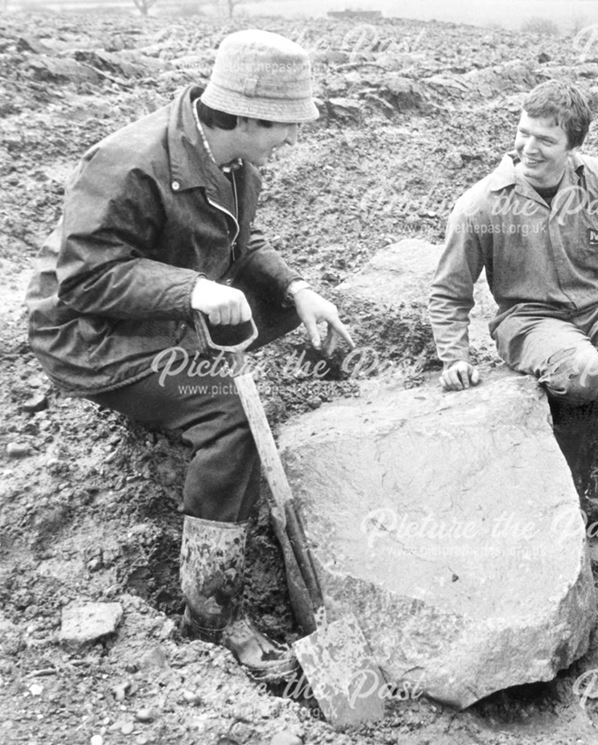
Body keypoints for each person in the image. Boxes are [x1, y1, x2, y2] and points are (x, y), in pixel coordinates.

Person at [25, 30, 354, 681]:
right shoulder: (127, 164)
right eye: (282, 126)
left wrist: (298, 289)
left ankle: (191, 371)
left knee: (282, 305)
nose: (289, 139)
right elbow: (85, 280)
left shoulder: (233, 162)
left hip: (168, 306)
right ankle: (215, 615)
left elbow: (241, 242)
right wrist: (192, 289)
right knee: (230, 415)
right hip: (93, 332)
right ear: (246, 114)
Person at [428, 80, 598, 518]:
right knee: (583, 371)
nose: (528, 148)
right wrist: (453, 356)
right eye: (523, 133)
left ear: (573, 146)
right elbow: (449, 288)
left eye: (545, 140)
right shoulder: (481, 205)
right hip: (532, 320)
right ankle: (563, 443)